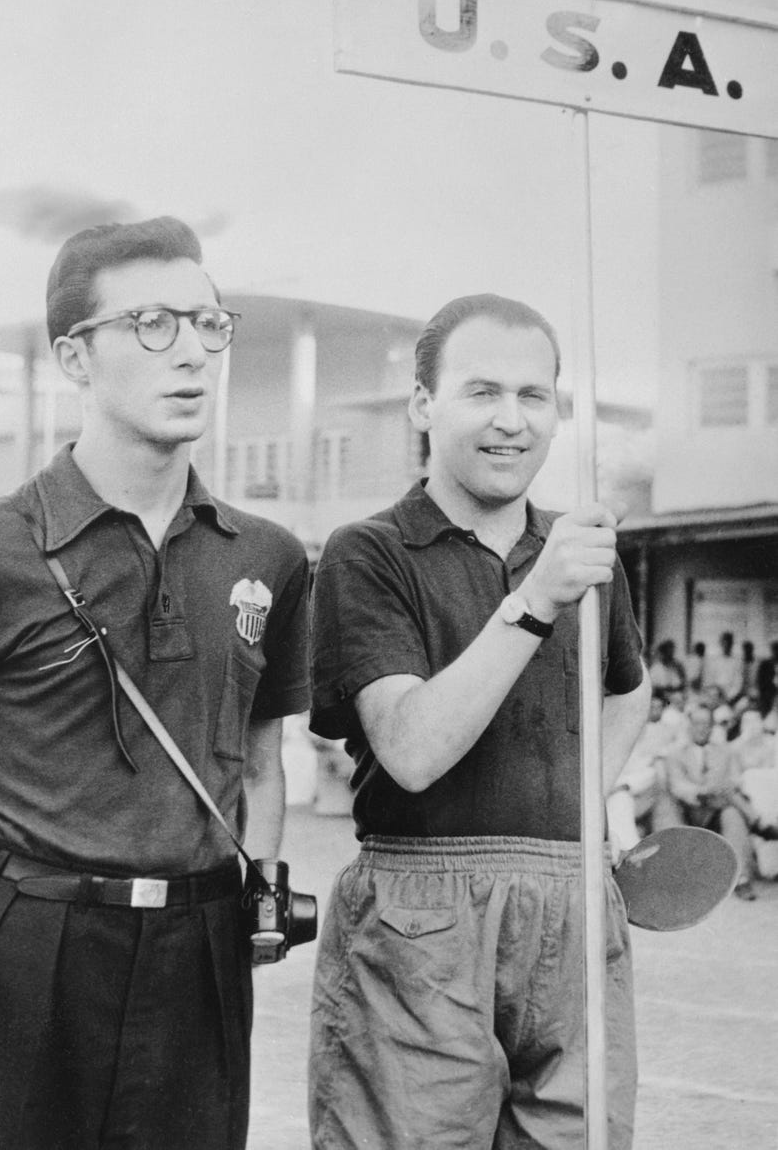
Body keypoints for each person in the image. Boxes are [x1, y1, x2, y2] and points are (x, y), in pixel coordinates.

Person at [0, 218, 311, 1150]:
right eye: (153, 323)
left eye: (208, 322)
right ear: (74, 355)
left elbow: (264, 761)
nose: (192, 351)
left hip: (198, 971)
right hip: (22, 956)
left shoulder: (269, 557)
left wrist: (253, 910)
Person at [308, 293, 650, 1150]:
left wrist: (581, 811)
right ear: (424, 404)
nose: (511, 421)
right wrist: (536, 600)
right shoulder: (370, 553)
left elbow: (629, 689)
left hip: (573, 908)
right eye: (482, 391)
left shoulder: (583, 550)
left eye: (535, 396)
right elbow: (413, 749)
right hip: (423, 916)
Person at [654, 702, 757, 900]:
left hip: (717, 810)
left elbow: (736, 779)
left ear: (712, 727)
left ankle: (741, 878)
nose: (702, 728)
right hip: (689, 809)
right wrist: (704, 792)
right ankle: (679, 879)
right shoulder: (675, 753)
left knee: (732, 814)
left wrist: (719, 789)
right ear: (689, 725)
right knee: (668, 807)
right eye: (697, 723)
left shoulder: (726, 751)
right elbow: (677, 785)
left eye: (706, 724)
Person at [606, 688, 679, 852]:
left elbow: (650, 771)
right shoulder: (611, 735)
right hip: (611, 794)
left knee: (625, 797)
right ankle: (629, 850)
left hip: (639, 793)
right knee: (620, 799)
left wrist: (625, 785)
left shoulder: (653, 734)